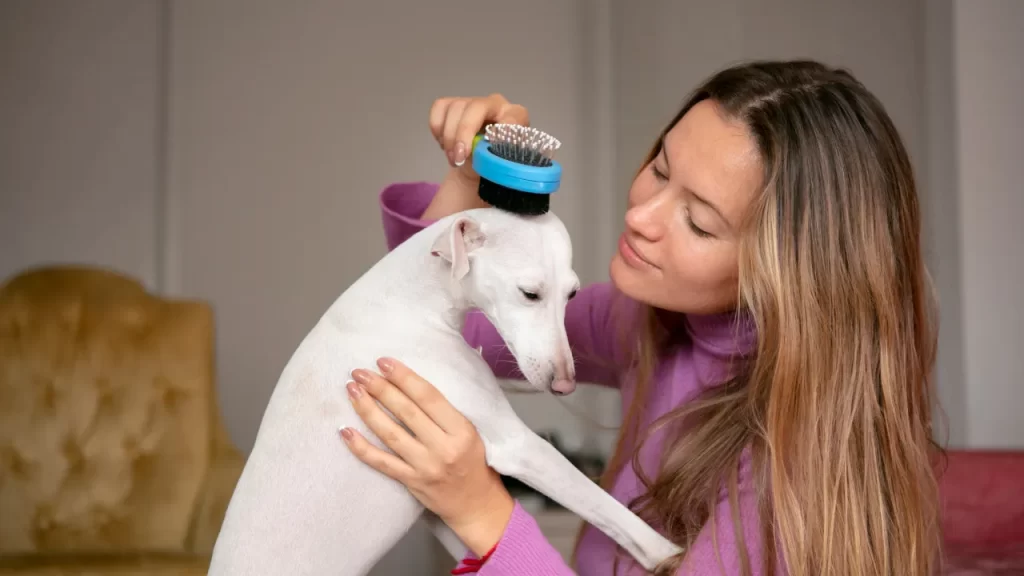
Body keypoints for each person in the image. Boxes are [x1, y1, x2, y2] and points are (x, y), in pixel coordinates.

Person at [337, 60, 942, 575]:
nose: (643, 216)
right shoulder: (648, 323)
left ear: (789, 276)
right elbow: (458, 327)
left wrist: (482, 515)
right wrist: (469, 181)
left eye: (699, 222)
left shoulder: (793, 463)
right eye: (659, 167)